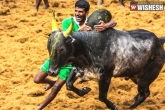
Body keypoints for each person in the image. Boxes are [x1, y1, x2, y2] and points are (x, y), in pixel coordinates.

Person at [34, 0, 117, 110]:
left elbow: (114, 22)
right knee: (37, 79)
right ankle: (52, 81)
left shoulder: (92, 23)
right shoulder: (67, 22)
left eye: (81, 12)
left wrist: (106, 25)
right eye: (76, 11)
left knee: (56, 89)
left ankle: (38, 108)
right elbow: (64, 40)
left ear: (87, 13)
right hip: (59, 56)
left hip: (73, 61)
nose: (77, 14)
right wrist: (80, 31)